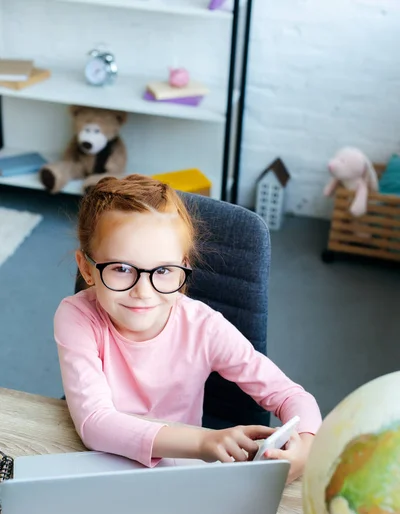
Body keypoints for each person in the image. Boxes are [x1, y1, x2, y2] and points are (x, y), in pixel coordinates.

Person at [54, 174, 322, 483]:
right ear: (87, 268)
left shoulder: (203, 328)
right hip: (101, 467)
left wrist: (306, 445)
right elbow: (95, 423)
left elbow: (291, 396)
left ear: (185, 267)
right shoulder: (77, 317)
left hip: (179, 472)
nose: (143, 291)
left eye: (164, 270)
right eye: (122, 269)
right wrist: (202, 442)